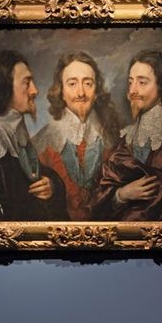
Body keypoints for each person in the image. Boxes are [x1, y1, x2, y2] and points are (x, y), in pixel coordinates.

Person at [92, 49, 162, 221]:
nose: (132, 91)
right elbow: (101, 199)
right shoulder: (126, 137)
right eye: (130, 82)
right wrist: (122, 194)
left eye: (142, 83)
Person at [0, 50, 67, 221]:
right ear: (5, 87)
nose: (35, 90)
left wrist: (52, 186)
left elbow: (34, 175)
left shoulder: (14, 128)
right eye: (27, 82)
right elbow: (0, 213)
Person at [32, 51, 120, 220]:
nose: (81, 93)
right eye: (72, 84)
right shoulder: (42, 142)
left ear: (96, 92)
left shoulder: (113, 138)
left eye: (88, 83)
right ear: (61, 92)